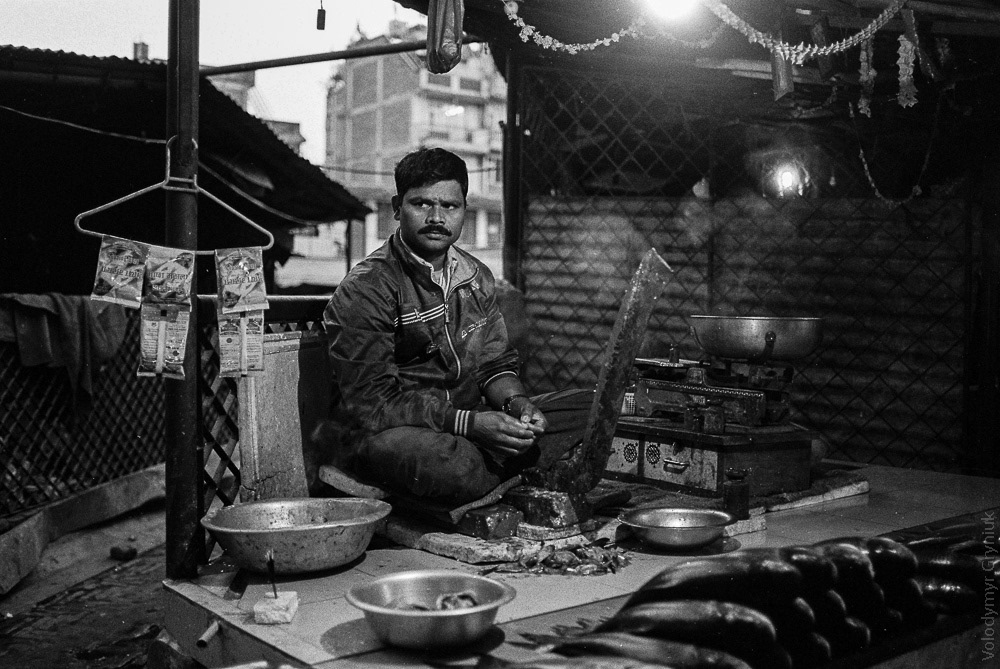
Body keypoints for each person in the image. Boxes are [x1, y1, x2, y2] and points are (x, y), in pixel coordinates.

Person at [318, 147, 591, 505]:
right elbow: (372, 405)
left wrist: (518, 406)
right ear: (398, 207)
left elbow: (494, 364)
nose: (436, 217)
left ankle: (497, 468)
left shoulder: (476, 276)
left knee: (589, 406)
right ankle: (512, 468)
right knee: (450, 465)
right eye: (422, 204)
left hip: (466, 424)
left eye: (450, 206)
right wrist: (470, 425)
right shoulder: (368, 287)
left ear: (463, 209)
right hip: (390, 434)